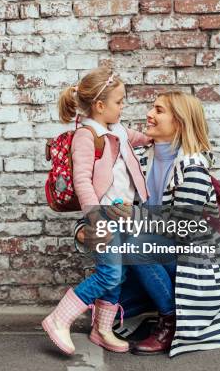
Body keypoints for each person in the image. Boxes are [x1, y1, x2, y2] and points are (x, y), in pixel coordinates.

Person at [74, 91, 220, 357]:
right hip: (158, 251)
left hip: (194, 257)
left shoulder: (192, 167)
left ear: (180, 122)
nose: (149, 114)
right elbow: (103, 196)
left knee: (135, 243)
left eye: (159, 110)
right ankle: (133, 307)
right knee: (123, 245)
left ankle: (169, 321)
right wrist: (83, 230)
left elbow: (183, 228)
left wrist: (133, 217)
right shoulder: (138, 156)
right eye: (152, 107)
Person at [41, 67, 151, 355]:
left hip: (123, 215)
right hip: (101, 216)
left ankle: (102, 329)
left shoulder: (118, 130)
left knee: (119, 273)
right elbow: (81, 182)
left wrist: (159, 134)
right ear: (100, 106)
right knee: (109, 275)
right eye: (119, 101)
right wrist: (94, 219)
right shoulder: (87, 136)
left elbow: (140, 138)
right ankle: (59, 318)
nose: (123, 106)